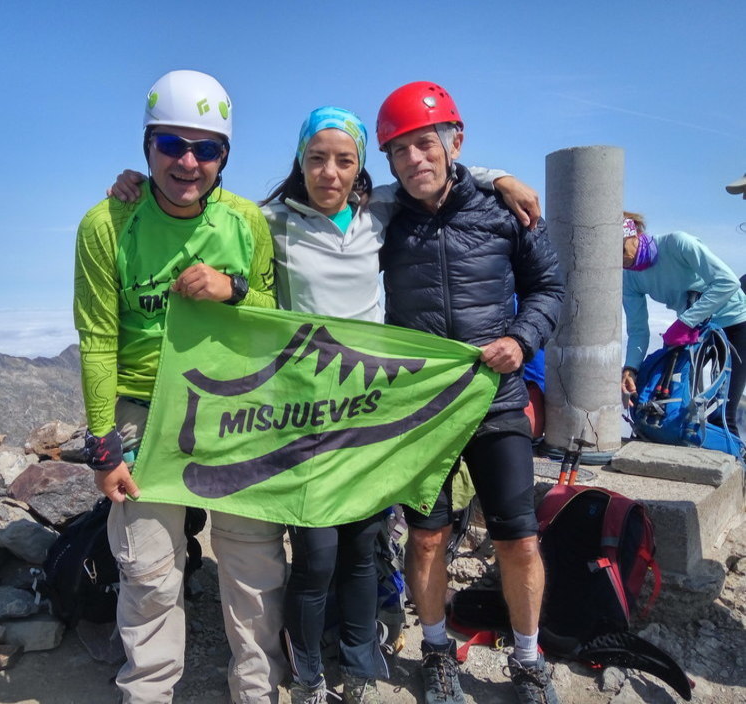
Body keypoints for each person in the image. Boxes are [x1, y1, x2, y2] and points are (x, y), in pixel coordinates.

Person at [108, 106, 542, 704]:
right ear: (300, 160)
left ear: (360, 167)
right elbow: (201, 202)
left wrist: (499, 178)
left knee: (364, 548)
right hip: (303, 416)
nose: (329, 172)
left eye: (344, 160)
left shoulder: (378, 212)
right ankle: (308, 669)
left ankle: (360, 662)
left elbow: (432, 175)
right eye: (316, 158)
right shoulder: (272, 220)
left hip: (366, 411)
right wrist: (139, 183)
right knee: (313, 553)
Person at [73, 69, 287, 704]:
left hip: (234, 409)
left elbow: (273, 317)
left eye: (206, 148)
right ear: (147, 147)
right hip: (145, 412)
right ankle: (147, 692)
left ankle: (257, 691)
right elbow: (97, 338)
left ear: (225, 155)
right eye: (171, 144)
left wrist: (234, 289)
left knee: (252, 563)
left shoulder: (246, 222)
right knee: (147, 569)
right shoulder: (107, 224)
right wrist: (104, 446)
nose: (187, 162)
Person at [376, 81, 564, 704]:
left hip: (496, 399)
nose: (414, 160)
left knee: (519, 538)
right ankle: (436, 651)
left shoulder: (504, 210)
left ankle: (529, 660)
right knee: (427, 536)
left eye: (425, 144)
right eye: (399, 150)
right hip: (422, 408)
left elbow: (549, 288)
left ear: (454, 142)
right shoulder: (382, 218)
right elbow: (307, 205)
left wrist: (522, 339)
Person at [620, 211, 746, 439]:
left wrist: (685, 321)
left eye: (620, 249)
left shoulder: (678, 244)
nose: (620, 260)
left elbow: (728, 282)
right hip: (695, 332)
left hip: (736, 322)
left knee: (723, 414)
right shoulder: (629, 278)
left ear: (634, 234)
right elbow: (638, 330)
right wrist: (630, 369)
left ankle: (736, 458)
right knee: (672, 405)